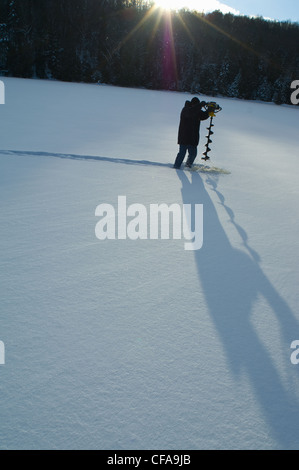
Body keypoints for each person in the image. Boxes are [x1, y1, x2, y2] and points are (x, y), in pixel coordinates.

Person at [173, 97, 210, 169]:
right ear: (192, 104)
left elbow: (203, 116)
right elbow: (190, 112)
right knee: (182, 153)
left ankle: (188, 166)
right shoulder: (186, 110)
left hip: (193, 138)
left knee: (193, 154)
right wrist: (200, 105)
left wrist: (209, 111)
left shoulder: (197, 111)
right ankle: (176, 167)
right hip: (184, 137)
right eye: (197, 106)